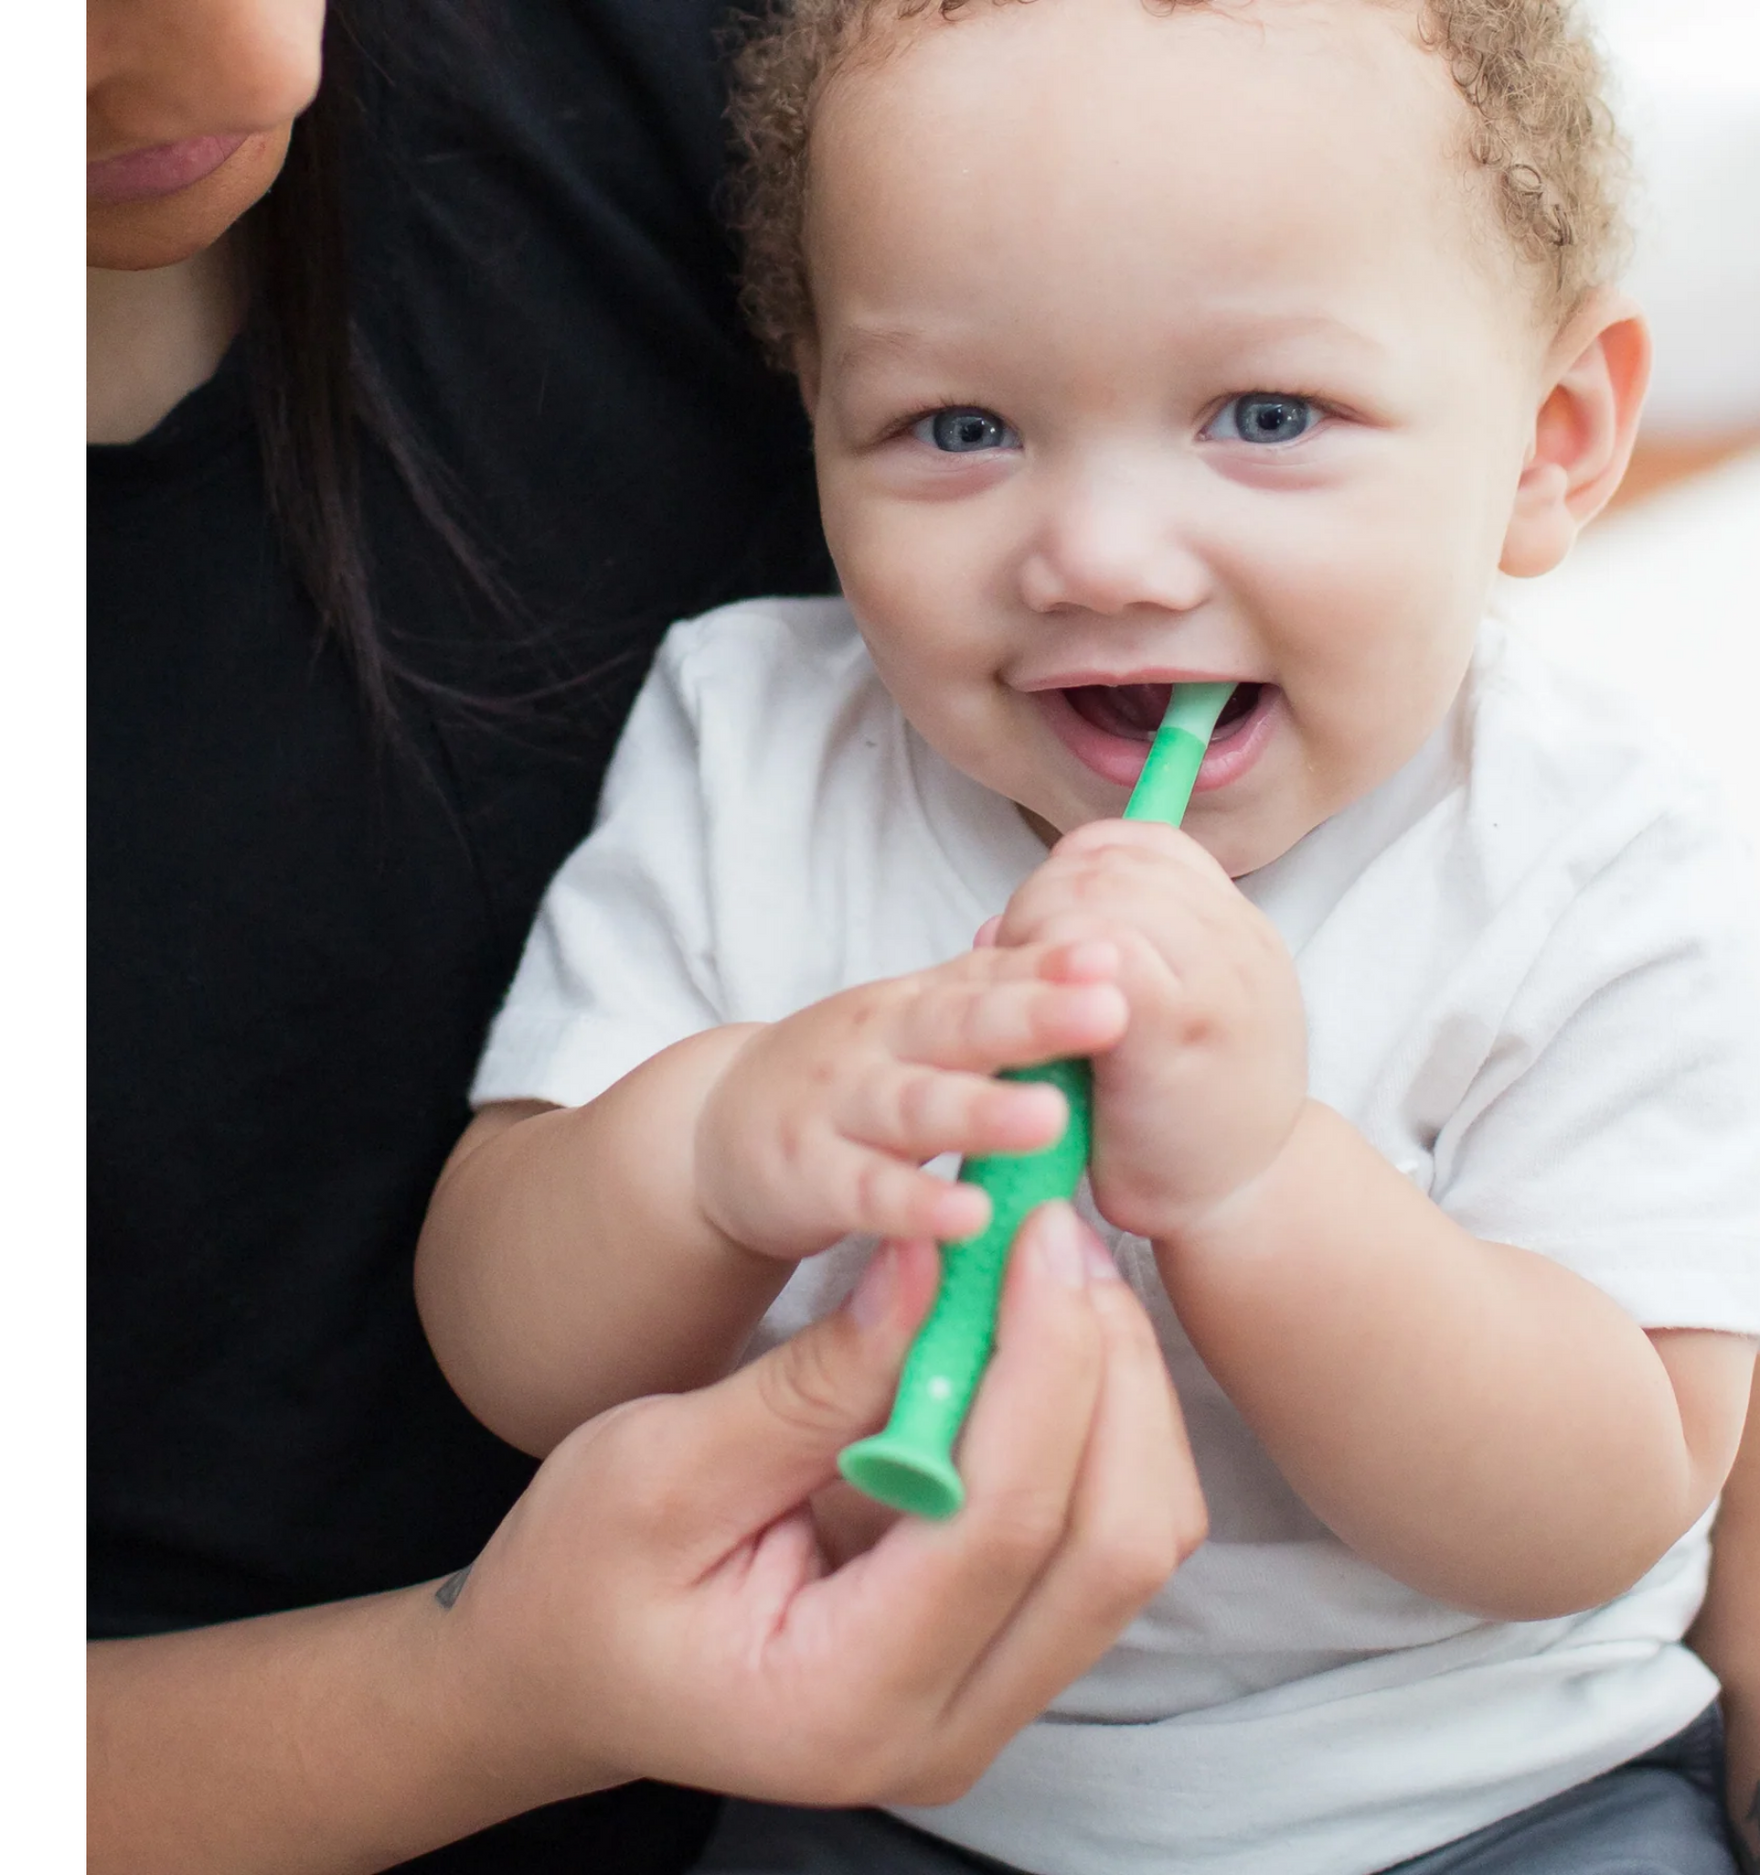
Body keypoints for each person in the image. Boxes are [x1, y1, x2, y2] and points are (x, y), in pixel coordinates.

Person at [89, 0, 1760, 1871]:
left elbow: (1605, 1499)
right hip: (887, 1810)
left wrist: (1254, 1186)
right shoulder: (759, 746)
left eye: (1268, 417)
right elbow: (508, 1342)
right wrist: (722, 1147)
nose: (1102, 552)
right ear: (805, 404)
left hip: (1488, 1806)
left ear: (1553, 445)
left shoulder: (1589, 851)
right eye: (958, 427)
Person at [88, 2, 1203, 1871]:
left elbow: (1658, 1414)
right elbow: (509, 1329)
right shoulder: (749, 723)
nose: (266, 64)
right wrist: (487, 1696)